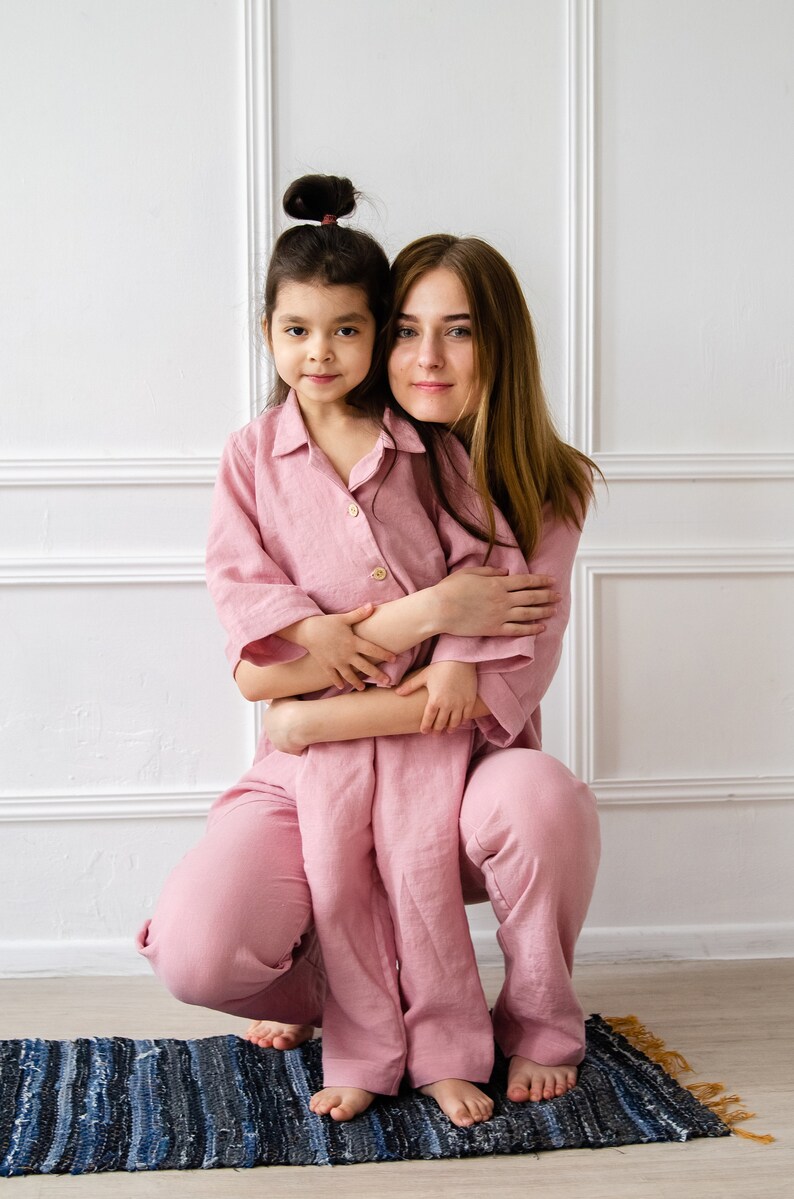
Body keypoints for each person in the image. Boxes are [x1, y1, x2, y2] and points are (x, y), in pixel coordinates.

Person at [138, 176, 553, 1127]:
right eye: (296, 330)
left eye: (347, 330)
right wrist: (309, 627)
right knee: (340, 884)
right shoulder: (251, 456)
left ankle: (451, 1048)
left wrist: (449, 644)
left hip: (421, 731)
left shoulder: (425, 445)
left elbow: (482, 563)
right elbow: (238, 586)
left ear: (374, 336)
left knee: (415, 882)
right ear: (267, 330)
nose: (319, 352)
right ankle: (363, 1047)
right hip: (320, 749)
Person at [236, 231, 602, 1119]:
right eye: (406, 329)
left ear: (500, 342)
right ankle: (341, 1020)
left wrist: (308, 718)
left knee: (471, 835)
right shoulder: (289, 453)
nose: (426, 356)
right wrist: (423, 619)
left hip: (452, 756)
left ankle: (511, 1027)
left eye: (460, 331)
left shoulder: (507, 479)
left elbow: (485, 678)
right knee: (311, 882)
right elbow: (256, 653)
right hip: (324, 763)